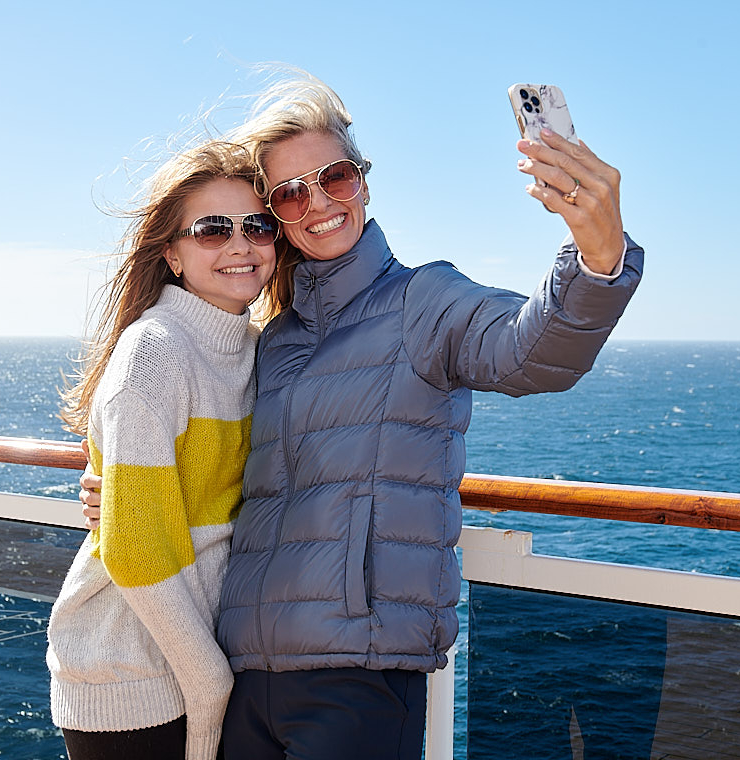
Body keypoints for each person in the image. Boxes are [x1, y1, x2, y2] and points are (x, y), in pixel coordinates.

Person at [80, 69, 643, 759]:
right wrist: (124, 494)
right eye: (288, 194)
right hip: (246, 674)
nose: (317, 202)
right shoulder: (274, 342)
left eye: (335, 178)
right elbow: (220, 464)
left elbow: (532, 353)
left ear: (363, 182)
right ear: (278, 218)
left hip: (358, 675)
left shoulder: (424, 301)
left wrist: (599, 256)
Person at [47, 139, 284, 760]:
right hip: (130, 668)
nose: (238, 245)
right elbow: (134, 544)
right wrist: (208, 679)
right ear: (173, 254)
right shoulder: (155, 354)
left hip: (198, 655)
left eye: (257, 226)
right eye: (211, 230)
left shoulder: (255, 351)